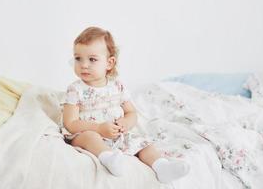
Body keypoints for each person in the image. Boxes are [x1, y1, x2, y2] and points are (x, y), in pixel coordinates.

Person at [62, 26, 190, 184]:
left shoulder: (118, 87)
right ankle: (109, 158)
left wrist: (125, 123)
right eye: (78, 58)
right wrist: (99, 128)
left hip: (116, 135)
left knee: (144, 144)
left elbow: (131, 113)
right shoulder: (75, 90)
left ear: (109, 63)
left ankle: (161, 166)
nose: (84, 65)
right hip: (87, 132)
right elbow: (70, 123)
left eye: (92, 59)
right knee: (90, 137)